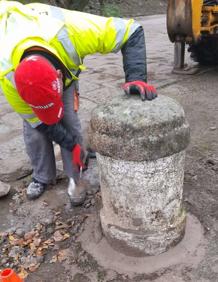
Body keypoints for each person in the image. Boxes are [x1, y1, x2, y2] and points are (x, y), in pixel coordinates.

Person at [0, 1, 157, 205]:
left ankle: (75, 177)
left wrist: (136, 77)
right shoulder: (7, 76)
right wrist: (69, 143)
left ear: (58, 76)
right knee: (34, 131)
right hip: (21, 66)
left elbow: (132, 30)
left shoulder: (76, 31)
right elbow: (39, 122)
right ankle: (42, 176)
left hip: (59, 57)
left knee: (69, 121)